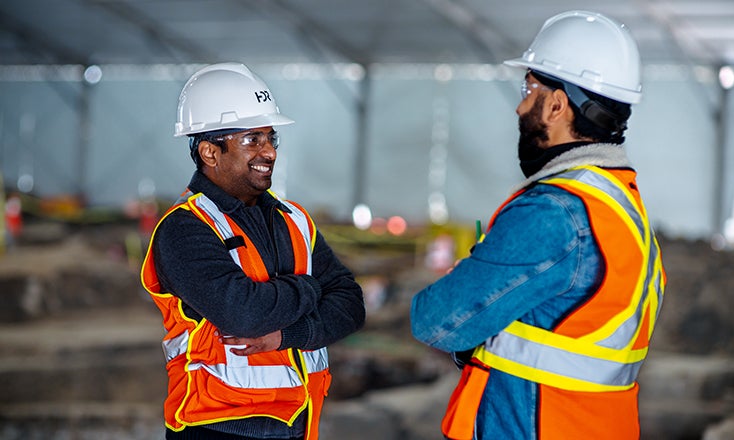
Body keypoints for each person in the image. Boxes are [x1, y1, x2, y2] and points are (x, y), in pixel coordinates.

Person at [411, 10, 666, 440]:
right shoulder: (624, 207)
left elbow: (435, 319)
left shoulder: (555, 212)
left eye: (529, 87)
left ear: (556, 104)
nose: (520, 103)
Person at [141, 62, 365, 440]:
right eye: (252, 140)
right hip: (217, 426)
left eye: (270, 138)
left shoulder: (294, 219)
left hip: (300, 420)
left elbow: (352, 305)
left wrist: (289, 334)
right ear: (210, 152)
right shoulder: (184, 228)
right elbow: (244, 313)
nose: (269, 152)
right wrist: (311, 288)